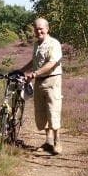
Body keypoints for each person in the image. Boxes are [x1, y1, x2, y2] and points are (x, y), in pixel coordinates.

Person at [19, 17, 63, 155]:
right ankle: (48, 142)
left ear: (47, 29)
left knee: (53, 110)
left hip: (52, 80)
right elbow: (35, 61)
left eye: (41, 29)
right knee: (41, 112)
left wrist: (34, 73)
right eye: (36, 29)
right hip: (38, 81)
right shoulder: (37, 44)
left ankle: (57, 142)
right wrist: (21, 70)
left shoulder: (54, 44)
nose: (38, 31)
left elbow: (52, 63)